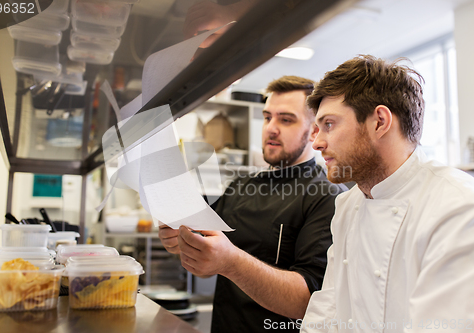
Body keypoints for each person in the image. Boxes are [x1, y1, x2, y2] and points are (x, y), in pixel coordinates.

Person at [301, 55, 474, 332]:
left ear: (380, 122)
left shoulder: (458, 207)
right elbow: (328, 307)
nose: (318, 143)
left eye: (329, 125)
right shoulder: (347, 204)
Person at [159, 76, 346, 332]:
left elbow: (309, 300)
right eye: (268, 117)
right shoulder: (241, 186)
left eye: (286, 119)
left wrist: (230, 262)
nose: (271, 128)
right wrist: (181, 241)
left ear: (314, 130)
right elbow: (206, 263)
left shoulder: (328, 196)